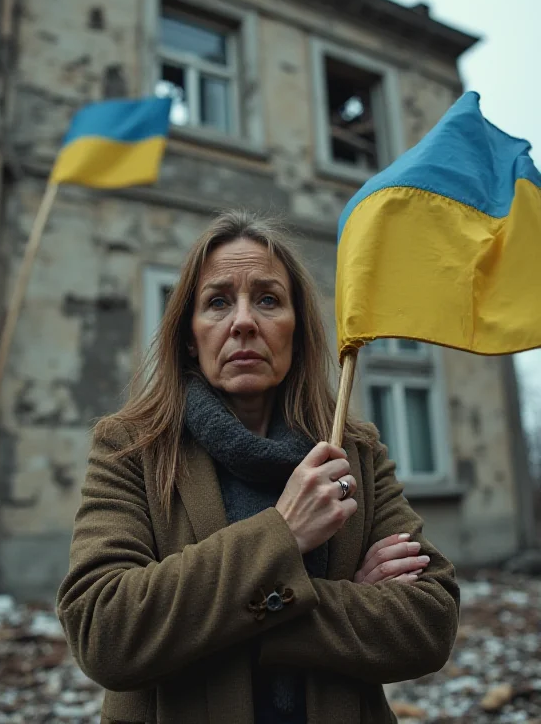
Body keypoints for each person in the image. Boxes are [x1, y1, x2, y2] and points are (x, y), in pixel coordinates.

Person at [57, 210, 459, 724]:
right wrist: (285, 536)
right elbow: (105, 630)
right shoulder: (132, 448)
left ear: (298, 330)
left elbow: (428, 623)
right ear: (188, 335)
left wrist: (229, 614)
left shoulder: (354, 450)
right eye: (218, 302)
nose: (243, 321)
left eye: (268, 299)